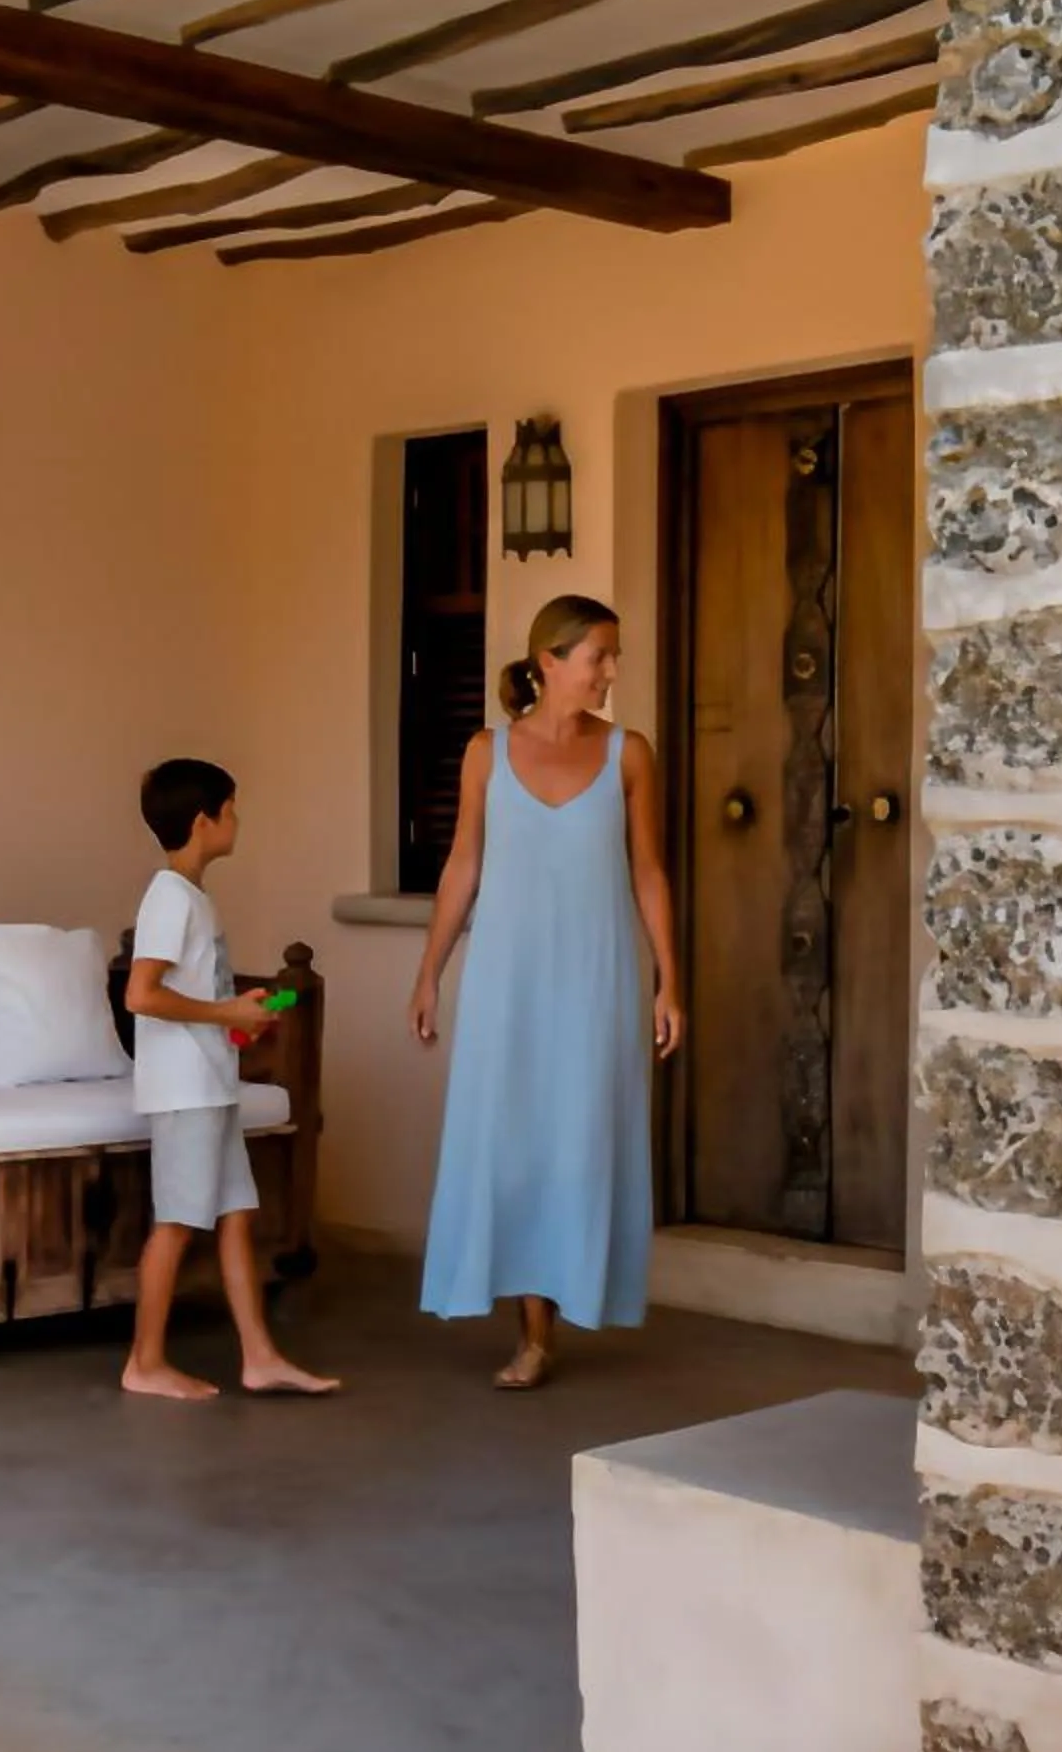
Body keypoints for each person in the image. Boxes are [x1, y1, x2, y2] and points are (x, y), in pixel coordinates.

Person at [409, 595, 683, 1389]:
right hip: (505, 980)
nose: (611, 672)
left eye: (613, 656)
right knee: (512, 1141)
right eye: (599, 655)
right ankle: (531, 1335)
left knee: (580, 1140)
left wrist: (670, 978)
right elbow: (463, 865)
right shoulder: (485, 753)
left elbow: (649, 871)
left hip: (597, 977)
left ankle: (562, 1311)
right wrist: (430, 970)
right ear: (549, 662)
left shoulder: (630, 754)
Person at [122, 758, 342, 1402]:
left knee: (236, 1215)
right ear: (204, 820)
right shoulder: (168, 898)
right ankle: (145, 1362)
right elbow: (141, 994)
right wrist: (225, 1012)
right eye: (232, 807)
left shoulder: (193, 898)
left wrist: (240, 1020)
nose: (238, 819)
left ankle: (260, 1356)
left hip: (211, 1083)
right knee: (177, 1223)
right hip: (184, 1093)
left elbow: (187, 996)